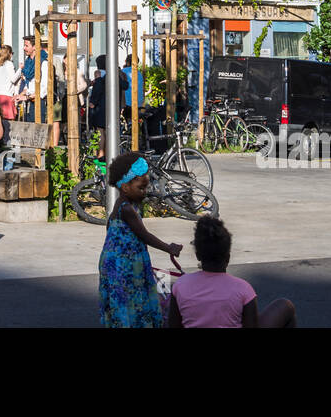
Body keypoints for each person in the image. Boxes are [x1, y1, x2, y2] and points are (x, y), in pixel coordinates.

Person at [99, 151, 183, 327]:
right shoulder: (127, 209)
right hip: (123, 266)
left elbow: (110, 228)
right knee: (130, 300)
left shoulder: (126, 205)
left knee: (127, 302)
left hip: (124, 261)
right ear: (125, 187)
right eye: (141, 188)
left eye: (146, 187)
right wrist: (169, 248)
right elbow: (144, 235)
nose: (145, 192)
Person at [168, 216, 296, 328]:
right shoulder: (243, 289)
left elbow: (173, 325)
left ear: (198, 256)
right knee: (285, 305)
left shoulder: (180, 286)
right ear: (227, 258)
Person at [88, 54, 130, 131]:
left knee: (100, 130)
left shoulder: (99, 73)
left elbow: (98, 88)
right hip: (115, 104)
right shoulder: (117, 73)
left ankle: (101, 143)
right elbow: (125, 85)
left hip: (101, 104)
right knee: (110, 129)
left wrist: (93, 101)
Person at [0, 45, 20, 119]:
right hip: (6, 96)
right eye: (12, 53)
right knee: (8, 124)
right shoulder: (9, 64)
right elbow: (13, 79)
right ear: (9, 54)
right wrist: (20, 69)